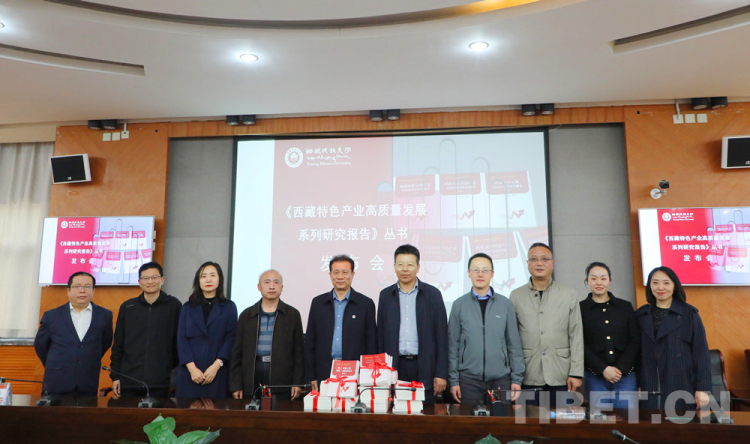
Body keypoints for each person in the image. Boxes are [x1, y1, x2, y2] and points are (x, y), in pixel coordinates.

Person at [509, 242, 583, 406]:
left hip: (561, 373)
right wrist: (515, 376)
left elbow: (576, 335)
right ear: (527, 263)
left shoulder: (568, 294)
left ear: (552, 263)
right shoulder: (516, 296)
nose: (539, 263)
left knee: (561, 420)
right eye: (534, 259)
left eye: (544, 259)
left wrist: (576, 373)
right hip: (528, 373)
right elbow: (512, 339)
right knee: (530, 420)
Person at [448, 253, 524, 406]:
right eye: (475, 270)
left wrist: (516, 379)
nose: (480, 274)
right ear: (469, 273)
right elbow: (452, 346)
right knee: (470, 420)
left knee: (500, 419)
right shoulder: (459, 305)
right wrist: (454, 381)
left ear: (492, 274)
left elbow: (513, 344)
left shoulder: (505, 304)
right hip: (468, 381)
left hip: (499, 380)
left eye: (485, 270)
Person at [377, 244, 448, 404]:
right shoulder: (385, 296)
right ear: (394, 266)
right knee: (395, 413)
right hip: (395, 367)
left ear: (418, 267)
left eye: (410, 264)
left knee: (425, 412)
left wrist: (441, 373)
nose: (405, 269)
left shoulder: (433, 295)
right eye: (400, 264)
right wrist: (381, 372)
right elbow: (380, 336)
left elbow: (442, 337)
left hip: (425, 366)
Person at [636, 266, 711, 411]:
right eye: (655, 282)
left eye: (666, 283)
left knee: (681, 423)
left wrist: (703, 388)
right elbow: (636, 354)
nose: (660, 287)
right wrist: (637, 384)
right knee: (651, 422)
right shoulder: (641, 315)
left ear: (674, 285)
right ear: (650, 286)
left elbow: (701, 353)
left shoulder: (689, 314)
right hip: (650, 383)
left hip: (682, 383)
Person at [34, 271, 113, 397]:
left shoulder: (104, 315)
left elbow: (105, 343)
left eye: (87, 286)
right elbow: (40, 346)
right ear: (68, 291)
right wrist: (55, 364)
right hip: (56, 381)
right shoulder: (52, 316)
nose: (82, 291)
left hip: (88, 382)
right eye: (77, 286)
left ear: (93, 291)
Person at [110, 262, 182, 398]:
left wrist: (174, 376)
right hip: (129, 380)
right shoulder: (128, 307)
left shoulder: (174, 306)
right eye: (145, 278)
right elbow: (118, 345)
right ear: (139, 282)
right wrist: (115, 376)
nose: (150, 281)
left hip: (162, 382)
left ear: (162, 280)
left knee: (160, 413)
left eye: (154, 277)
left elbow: (180, 343)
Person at [230, 269, 304, 401]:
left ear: (282, 287)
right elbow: (236, 353)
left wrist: (297, 382)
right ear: (259, 287)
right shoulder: (247, 315)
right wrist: (236, 385)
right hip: (252, 375)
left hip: (282, 378)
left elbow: (299, 353)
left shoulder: (292, 315)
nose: (272, 286)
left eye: (276, 282)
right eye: (267, 282)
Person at [305, 255, 376, 390]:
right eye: (336, 272)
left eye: (345, 272)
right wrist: (311, 375)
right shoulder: (318, 303)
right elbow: (310, 342)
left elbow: (371, 344)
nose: (340, 277)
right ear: (330, 275)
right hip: (324, 370)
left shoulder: (365, 304)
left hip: (354, 371)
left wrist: (367, 376)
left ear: (353, 274)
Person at [579, 262, 640, 410]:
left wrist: (620, 369)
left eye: (603, 278)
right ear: (587, 281)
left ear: (610, 281)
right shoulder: (580, 309)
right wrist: (603, 369)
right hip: (594, 375)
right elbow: (579, 343)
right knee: (600, 419)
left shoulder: (624, 306)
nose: (599, 282)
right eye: (594, 278)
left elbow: (635, 339)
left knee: (627, 417)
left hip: (625, 375)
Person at [176, 261, 237, 399]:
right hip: (190, 374)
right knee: (188, 411)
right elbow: (181, 339)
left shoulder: (229, 307)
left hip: (218, 373)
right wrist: (192, 369)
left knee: (216, 411)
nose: (208, 280)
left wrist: (216, 366)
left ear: (219, 279)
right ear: (198, 281)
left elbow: (230, 338)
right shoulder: (188, 307)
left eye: (213, 275)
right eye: (203, 276)